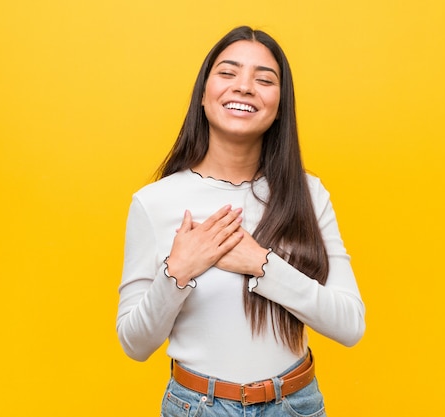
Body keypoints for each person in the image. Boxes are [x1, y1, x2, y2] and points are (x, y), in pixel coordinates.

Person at [116, 26, 365, 416]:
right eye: (228, 73)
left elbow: (350, 325)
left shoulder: (308, 194)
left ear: (280, 104)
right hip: (198, 407)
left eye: (264, 79)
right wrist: (177, 272)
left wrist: (262, 264)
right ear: (203, 94)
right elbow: (135, 344)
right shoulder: (155, 202)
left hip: (295, 404)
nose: (245, 87)